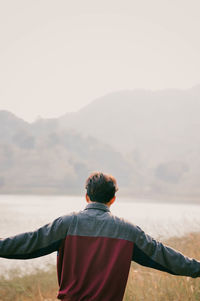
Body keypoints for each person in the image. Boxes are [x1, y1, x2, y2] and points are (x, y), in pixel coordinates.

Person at [0, 172, 200, 301]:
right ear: (113, 199)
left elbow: (27, 243)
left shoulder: (67, 224)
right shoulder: (129, 231)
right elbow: (165, 257)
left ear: (86, 196)